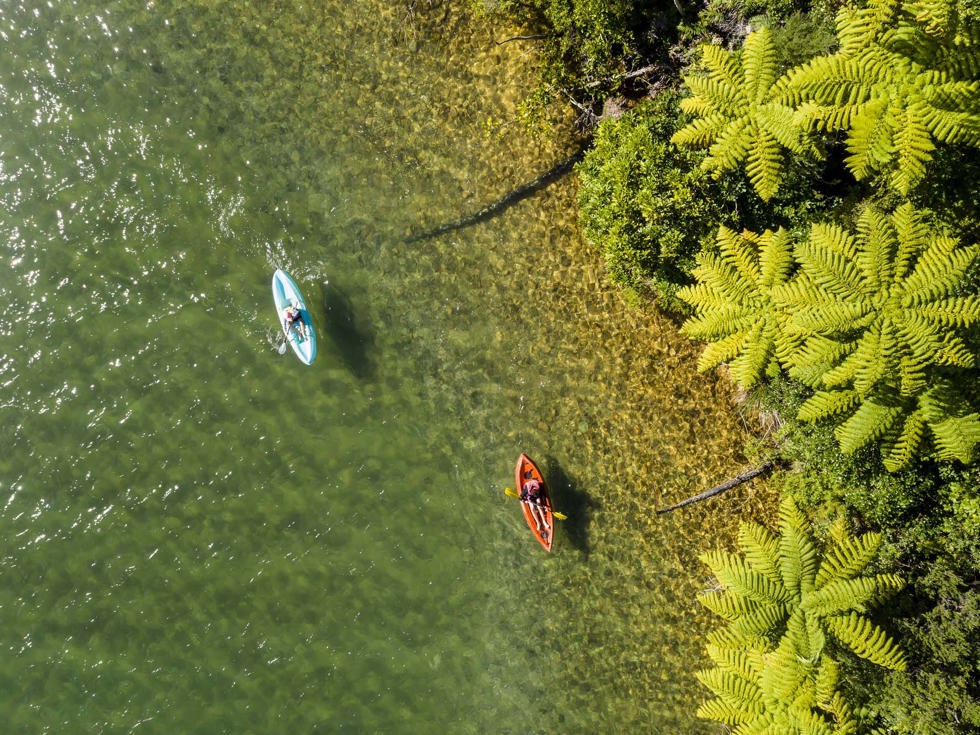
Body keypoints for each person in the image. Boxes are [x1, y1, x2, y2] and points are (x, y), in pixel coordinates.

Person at [520, 470, 551, 535]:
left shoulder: (538, 487)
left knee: (539, 506)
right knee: (532, 508)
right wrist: (524, 500)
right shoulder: (526, 489)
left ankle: (544, 522)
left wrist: (545, 505)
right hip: (530, 497)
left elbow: (543, 496)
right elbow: (520, 497)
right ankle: (538, 523)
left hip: (537, 496)